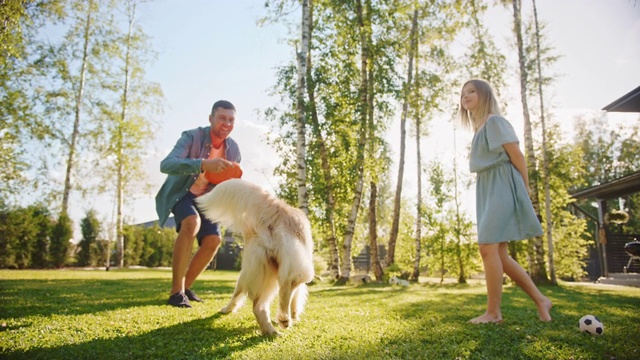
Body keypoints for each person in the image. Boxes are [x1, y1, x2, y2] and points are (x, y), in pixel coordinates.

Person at [458, 79, 552, 324]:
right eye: (462, 93)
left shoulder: (494, 122)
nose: (465, 96)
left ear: (485, 95)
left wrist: (524, 189)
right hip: (486, 186)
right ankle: (541, 300)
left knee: (487, 247)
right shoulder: (478, 128)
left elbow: (517, 156)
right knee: (498, 252)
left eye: (471, 91)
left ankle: (493, 313)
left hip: (503, 183)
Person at [155, 100, 241, 308]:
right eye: (222, 118)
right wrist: (202, 164)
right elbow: (166, 164)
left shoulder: (233, 149)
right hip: (182, 194)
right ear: (211, 118)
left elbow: (230, 182)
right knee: (191, 223)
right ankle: (176, 293)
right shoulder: (191, 137)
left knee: (213, 240)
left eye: (231, 120)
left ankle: (185, 288)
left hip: (208, 199)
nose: (227, 123)